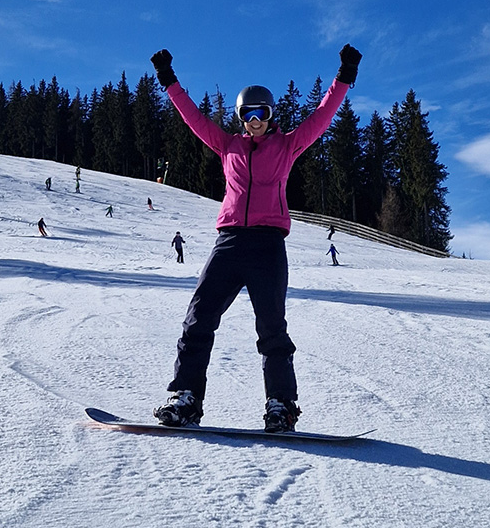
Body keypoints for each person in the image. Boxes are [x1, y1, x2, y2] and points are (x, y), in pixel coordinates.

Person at [149, 43, 361, 433]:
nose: (255, 120)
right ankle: (186, 398)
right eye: (248, 114)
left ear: (270, 115)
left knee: (271, 329)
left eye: (262, 113)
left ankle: (281, 405)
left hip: (267, 245)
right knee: (198, 320)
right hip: (228, 243)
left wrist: (344, 76)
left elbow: (322, 116)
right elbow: (194, 118)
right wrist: (169, 81)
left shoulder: (287, 145)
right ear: (240, 118)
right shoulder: (227, 146)